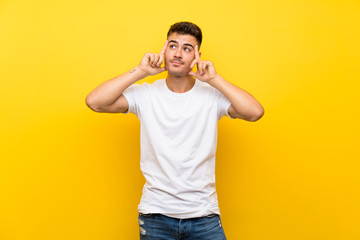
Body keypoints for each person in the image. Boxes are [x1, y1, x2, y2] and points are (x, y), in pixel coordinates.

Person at [85, 21, 264, 240]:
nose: (178, 53)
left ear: (197, 55)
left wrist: (215, 79)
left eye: (187, 48)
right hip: (156, 215)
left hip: (203, 215)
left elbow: (254, 112)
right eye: (173, 46)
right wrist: (140, 71)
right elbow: (95, 102)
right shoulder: (145, 94)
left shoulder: (211, 96)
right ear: (165, 49)